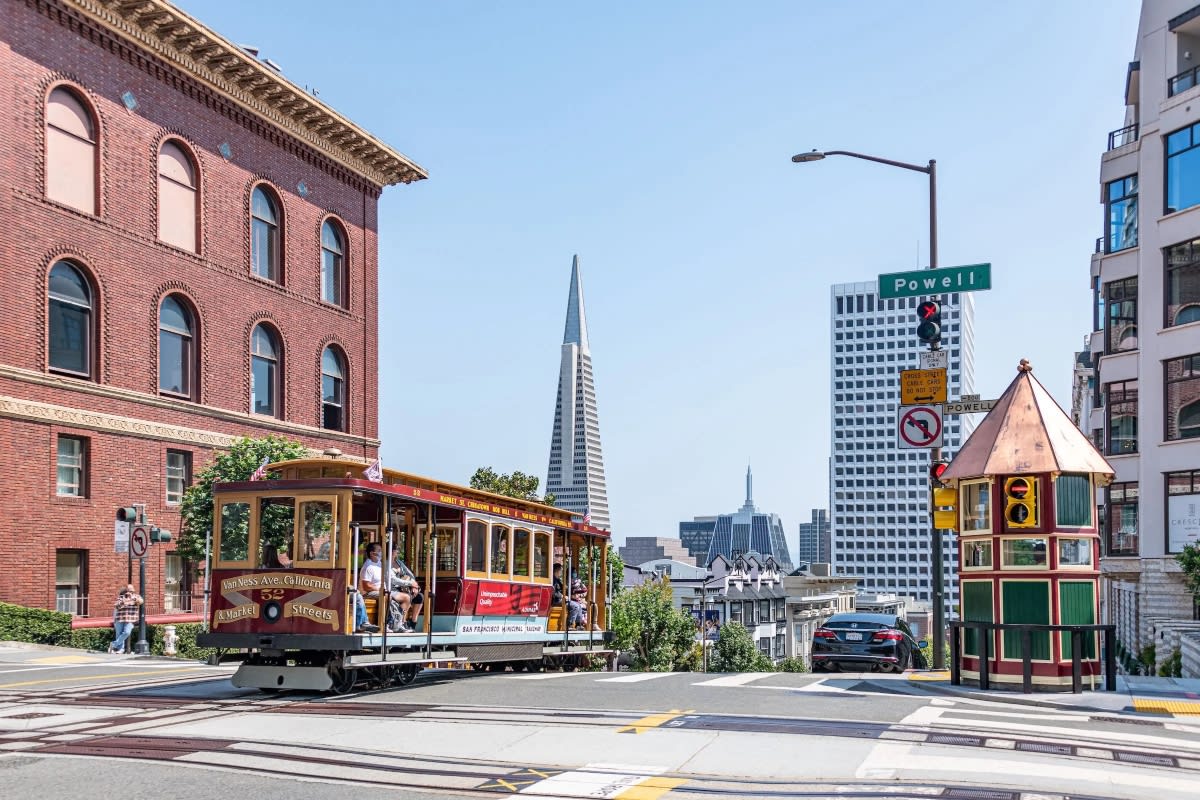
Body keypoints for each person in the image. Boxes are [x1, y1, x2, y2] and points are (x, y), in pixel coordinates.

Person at [388, 551, 422, 633]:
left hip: (402, 587)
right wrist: (409, 583)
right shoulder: (386, 563)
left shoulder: (399, 562)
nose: (398, 553)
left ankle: (413, 623)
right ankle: (401, 623)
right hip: (392, 588)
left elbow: (410, 574)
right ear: (391, 551)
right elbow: (393, 580)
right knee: (407, 597)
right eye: (397, 551)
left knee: (419, 596)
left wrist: (413, 585)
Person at [355, 543, 382, 633]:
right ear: (372, 553)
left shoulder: (380, 564)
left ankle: (398, 624)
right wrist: (381, 589)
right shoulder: (368, 567)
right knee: (386, 596)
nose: (381, 553)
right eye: (379, 551)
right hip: (367, 593)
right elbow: (366, 587)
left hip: (378, 591)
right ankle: (384, 624)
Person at [109, 584, 143, 654]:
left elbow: (141, 601)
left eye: (131, 591)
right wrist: (123, 602)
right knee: (119, 634)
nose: (130, 592)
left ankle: (114, 644)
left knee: (127, 632)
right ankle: (120, 649)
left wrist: (133, 598)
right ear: (125, 591)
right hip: (120, 618)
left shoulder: (136, 597)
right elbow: (116, 606)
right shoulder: (121, 597)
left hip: (131, 619)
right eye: (128, 590)